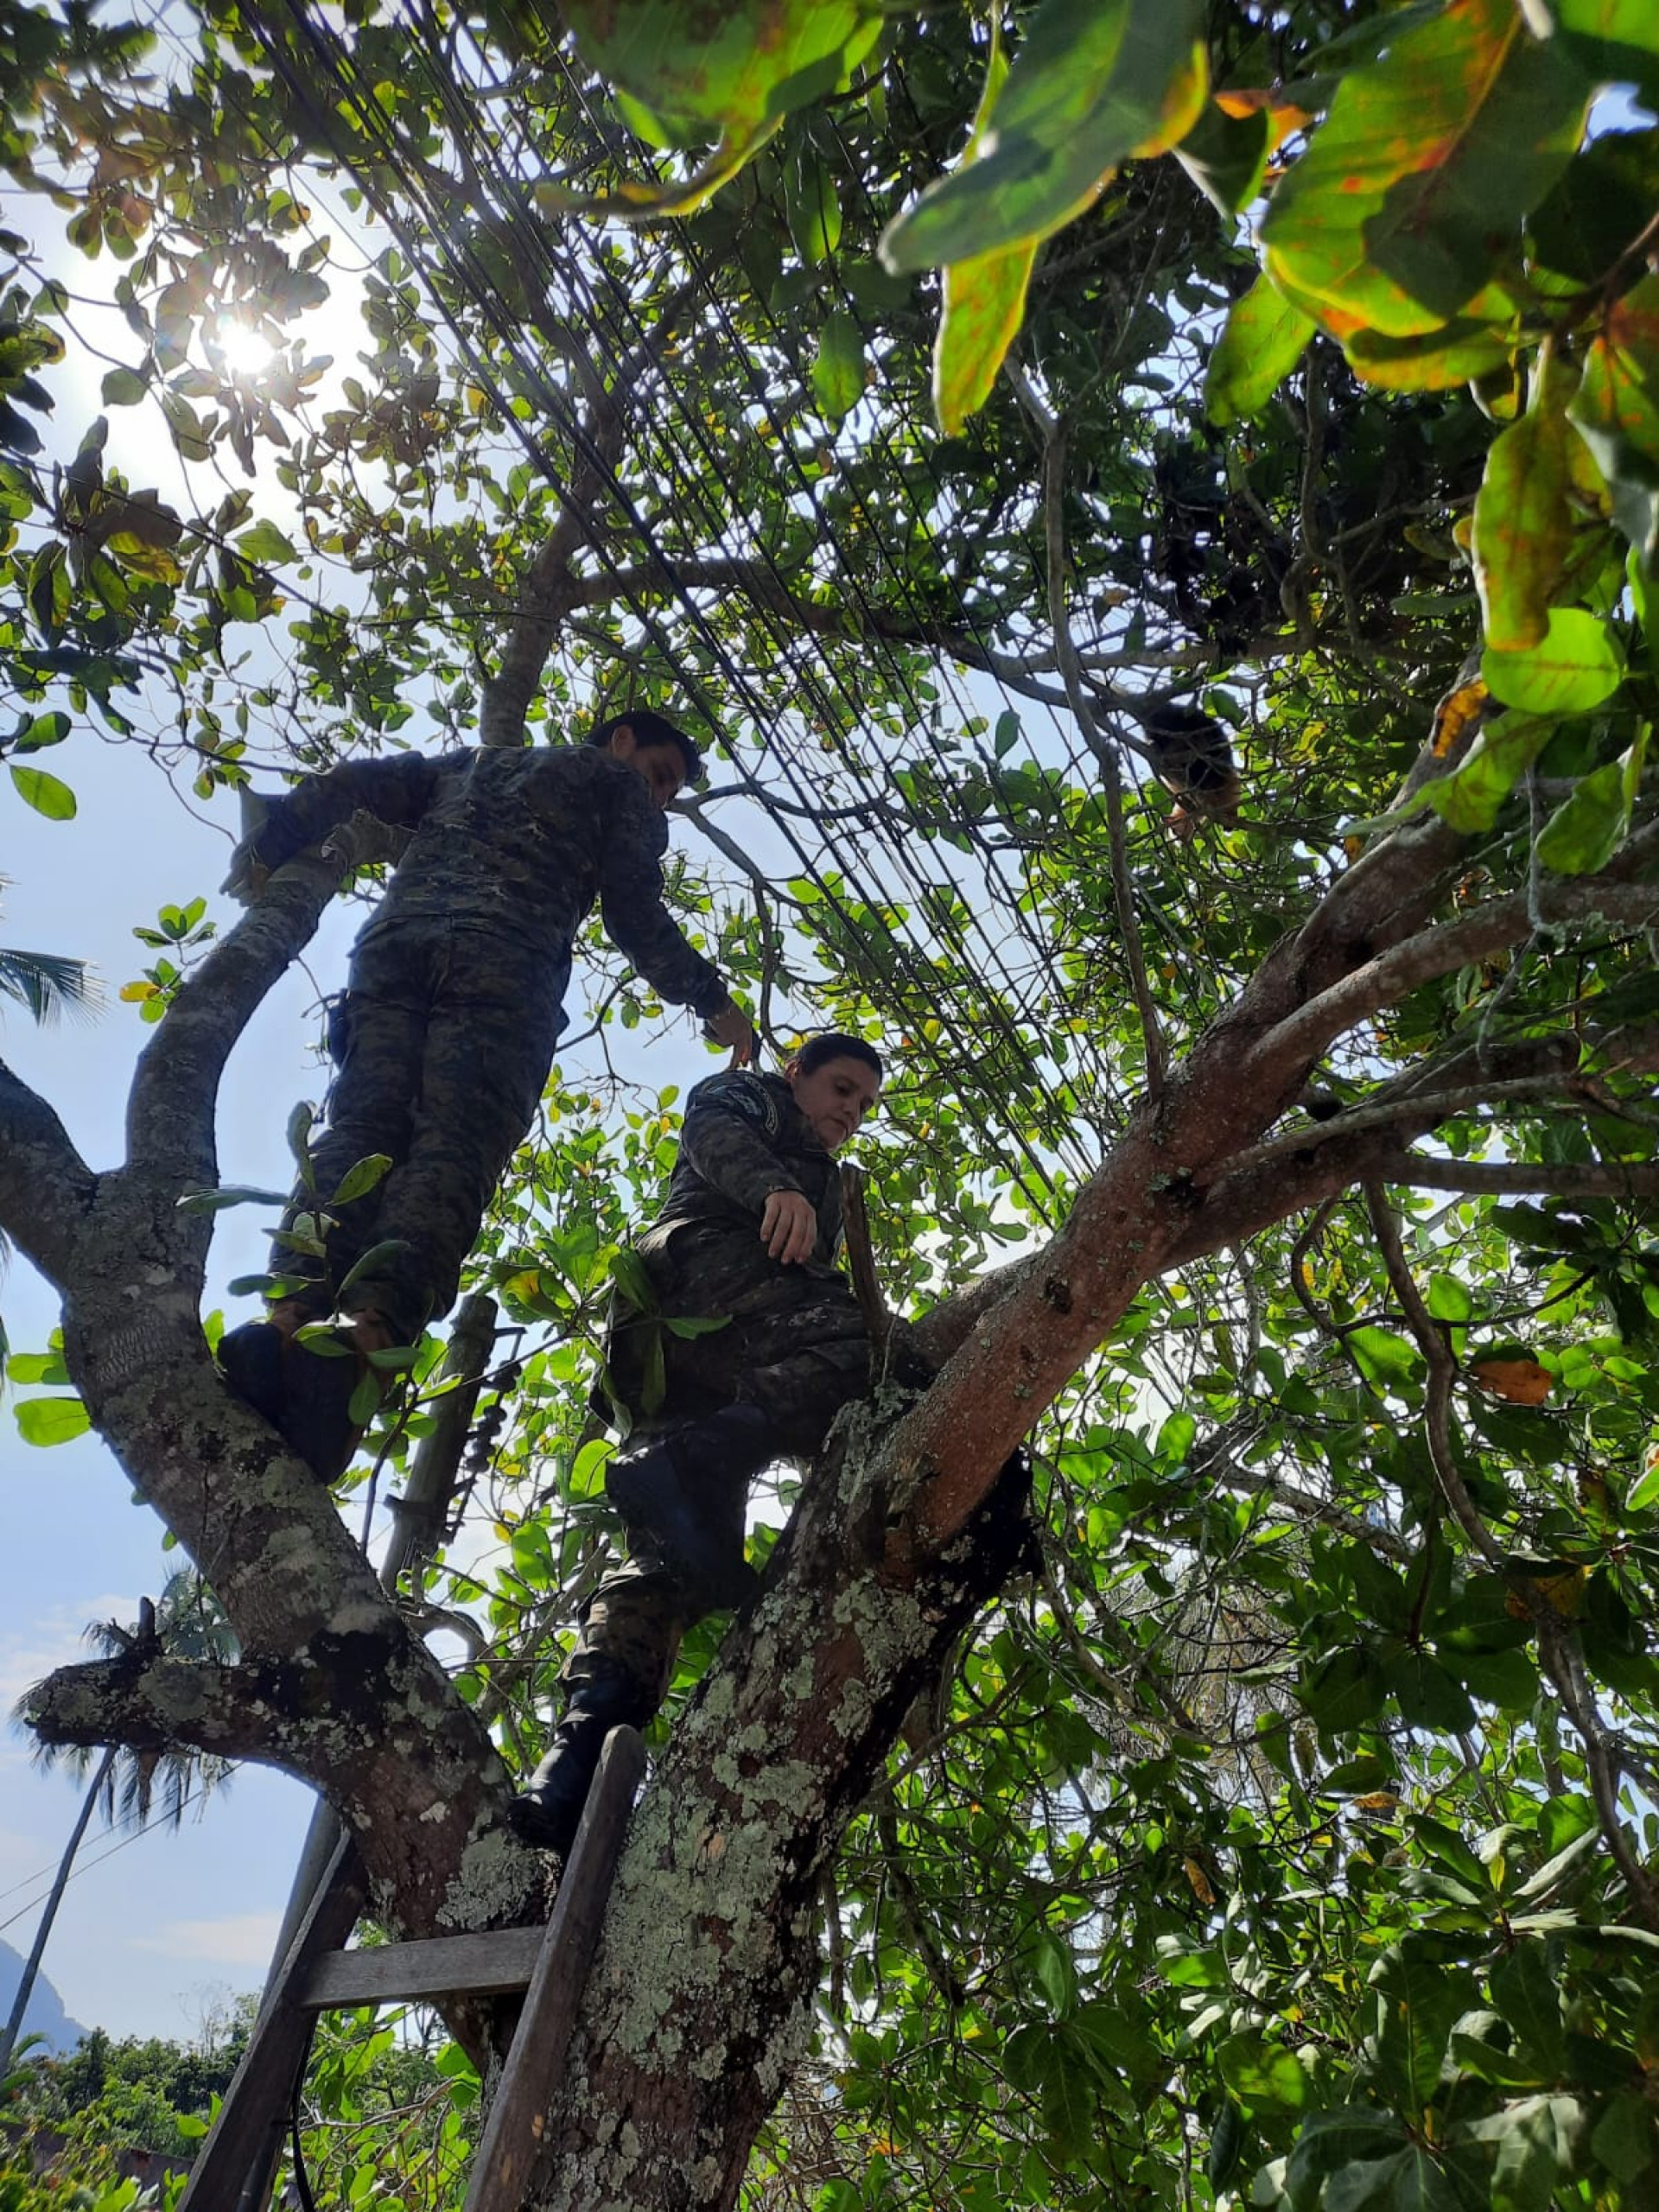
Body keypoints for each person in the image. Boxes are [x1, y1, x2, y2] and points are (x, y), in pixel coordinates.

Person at [217, 709, 754, 1482]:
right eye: (662, 773)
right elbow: (635, 914)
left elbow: (357, 784)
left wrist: (272, 842)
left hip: (393, 951)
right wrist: (713, 1001)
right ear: (623, 740)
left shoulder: (474, 765)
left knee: (357, 1129)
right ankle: (364, 1339)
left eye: (668, 789)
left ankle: (287, 1320)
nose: (659, 796)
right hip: (504, 971)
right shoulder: (614, 787)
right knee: (451, 1150)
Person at [512, 1033, 890, 1855]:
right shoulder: (751, 1098)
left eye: (864, 1105)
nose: (850, 1112)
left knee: (668, 1572)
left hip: (714, 1373)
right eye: (841, 1088)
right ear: (797, 1073)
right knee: (881, 1363)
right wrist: (777, 1188)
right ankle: (699, 1455)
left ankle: (569, 1770)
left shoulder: (827, 1175)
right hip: (697, 1282)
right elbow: (709, 1130)